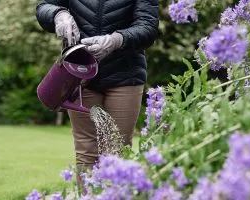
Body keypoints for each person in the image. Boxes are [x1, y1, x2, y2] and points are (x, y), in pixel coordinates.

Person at [36, 0, 159, 178]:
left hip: (125, 75)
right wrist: (58, 14)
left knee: (118, 153)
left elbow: (148, 27)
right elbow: (44, 6)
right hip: (79, 74)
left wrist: (115, 40)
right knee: (86, 153)